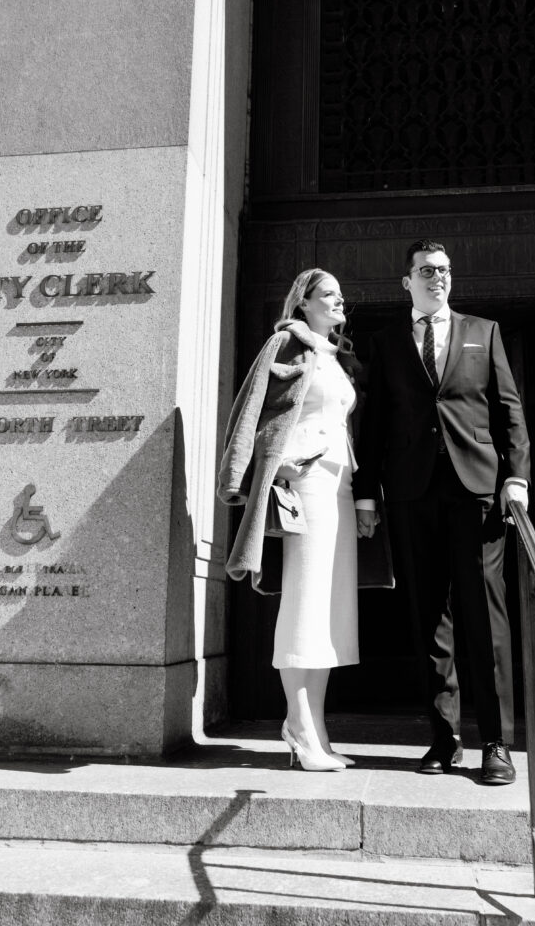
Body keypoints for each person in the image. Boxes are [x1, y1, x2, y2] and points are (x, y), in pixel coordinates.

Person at [353, 239, 530, 785]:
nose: (438, 278)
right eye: (427, 271)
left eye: (445, 270)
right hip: (411, 492)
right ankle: (443, 738)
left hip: (476, 491)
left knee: (484, 614)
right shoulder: (385, 342)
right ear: (406, 281)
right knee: (429, 617)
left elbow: (508, 410)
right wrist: (366, 494)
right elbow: (375, 423)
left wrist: (516, 476)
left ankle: (496, 743)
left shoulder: (484, 332)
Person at [218, 269, 360, 772]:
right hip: (306, 485)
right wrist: (259, 468)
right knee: (304, 604)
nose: (340, 299)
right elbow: (250, 409)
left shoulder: (334, 356)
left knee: (328, 609)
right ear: (304, 302)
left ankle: (315, 730)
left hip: (339, 487)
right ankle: (299, 727)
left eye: (341, 294)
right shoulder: (285, 343)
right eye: (329, 294)